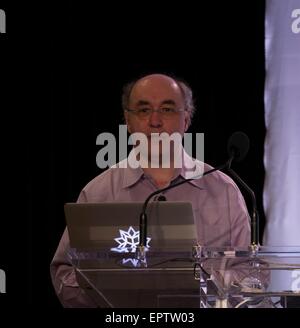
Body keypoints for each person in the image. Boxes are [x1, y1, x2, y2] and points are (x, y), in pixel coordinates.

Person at [50, 73, 251, 307]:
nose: (155, 121)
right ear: (128, 120)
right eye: (143, 110)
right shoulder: (97, 193)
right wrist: (113, 301)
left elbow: (251, 272)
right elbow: (64, 271)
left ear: (186, 120)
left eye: (167, 109)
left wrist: (201, 290)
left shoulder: (224, 191)